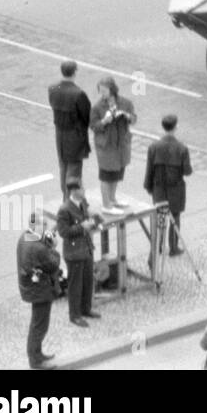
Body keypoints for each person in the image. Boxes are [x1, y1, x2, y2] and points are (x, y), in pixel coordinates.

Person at [143, 114, 192, 257]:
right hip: (176, 188)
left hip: (159, 188)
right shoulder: (182, 148)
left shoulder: (153, 147)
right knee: (175, 218)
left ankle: (157, 246)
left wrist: (148, 186)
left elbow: (149, 169)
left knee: (159, 217)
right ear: (175, 127)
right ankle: (173, 247)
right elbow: (187, 171)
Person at [17, 213, 61, 369]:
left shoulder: (25, 237)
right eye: (44, 227)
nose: (46, 230)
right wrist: (53, 248)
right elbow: (53, 264)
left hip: (31, 288)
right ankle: (35, 361)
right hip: (40, 290)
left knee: (37, 323)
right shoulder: (38, 248)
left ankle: (37, 353)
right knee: (39, 325)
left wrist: (45, 241)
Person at [55, 181, 102, 328]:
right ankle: (74, 315)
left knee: (88, 280)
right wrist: (82, 227)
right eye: (82, 187)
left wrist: (93, 222)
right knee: (76, 285)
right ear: (74, 191)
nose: (84, 189)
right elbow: (63, 232)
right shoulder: (65, 209)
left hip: (86, 248)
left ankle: (86, 309)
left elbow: (86, 218)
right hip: (74, 252)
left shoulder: (82, 203)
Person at [89, 76, 135, 215]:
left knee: (117, 172)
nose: (102, 94)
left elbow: (134, 118)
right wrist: (104, 121)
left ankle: (112, 199)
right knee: (106, 174)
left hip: (121, 144)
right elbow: (93, 126)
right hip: (106, 145)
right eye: (100, 91)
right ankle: (106, 205)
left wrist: (127, 116)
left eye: (104, 91)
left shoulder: (125, 103)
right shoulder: (97, 107)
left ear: (112, 89)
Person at [48, 60, 91, 202]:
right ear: (75, 72)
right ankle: (70, 201)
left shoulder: (53, 89)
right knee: (74, 168)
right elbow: (86, 116)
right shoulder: (79, 94)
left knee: (63, 166)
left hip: (59, 133)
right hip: (74, 135)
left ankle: (65, 197)